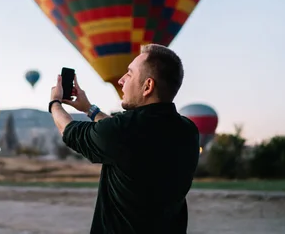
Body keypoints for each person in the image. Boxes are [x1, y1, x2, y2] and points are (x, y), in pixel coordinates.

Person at [49, 44, 200, 234]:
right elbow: (125, 137)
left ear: (147, 86)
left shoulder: (123, 131)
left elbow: (70, 131)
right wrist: (89, 108)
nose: (121, 80)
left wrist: (54, 103)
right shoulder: (188, 131)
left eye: (129, 74)